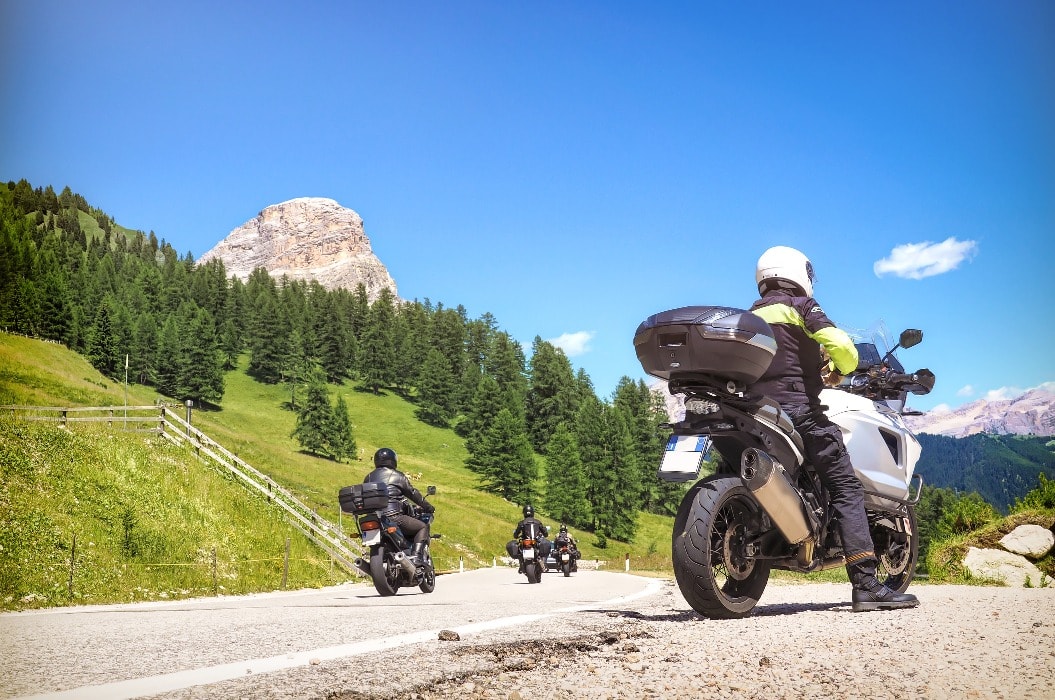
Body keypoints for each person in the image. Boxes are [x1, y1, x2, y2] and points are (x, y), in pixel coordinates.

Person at [749, 246, 919, 612]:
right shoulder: (801, 307)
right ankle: (867, 585)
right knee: (845, 486)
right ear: (801, 273)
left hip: (756, 412)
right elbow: (843, 346)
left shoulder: (752, 314)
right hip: (798, 410)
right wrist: (843, 366)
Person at [363, 447, 434, 565]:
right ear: (393, 460)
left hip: (373, 517)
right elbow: (412, 493)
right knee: (423, 527)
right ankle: (416, 556)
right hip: (394, 516)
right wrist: (428, 507)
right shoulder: (398, 476)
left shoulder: (368, 477)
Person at [506, 504, 552, 571]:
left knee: (519, 551)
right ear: (533, 512)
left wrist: (516, 535)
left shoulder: (521, 523)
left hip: (525, 542)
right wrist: (545, 534)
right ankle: (543, 563)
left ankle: (521, 565)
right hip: (535, 542)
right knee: (545, 546)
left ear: (524, 513)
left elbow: (516, 534)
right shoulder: (538, 522)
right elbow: (545, 533)